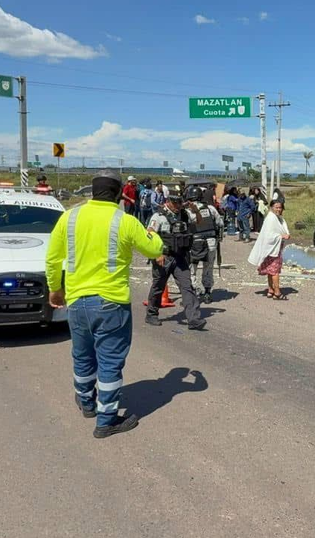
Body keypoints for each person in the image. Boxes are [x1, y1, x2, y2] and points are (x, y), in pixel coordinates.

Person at [46, 169, 164, 439]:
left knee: (82, 354)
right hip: (111, 303)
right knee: (110, 361)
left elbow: (53, 258)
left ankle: (86, 402)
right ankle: (106, 419)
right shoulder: (124, 221)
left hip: (76, 301)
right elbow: (155, 249)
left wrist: (55, 290)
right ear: (119, 193)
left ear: (92, 190)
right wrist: (152, 232)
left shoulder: (70, 217)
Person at [145, 193, 207, 330]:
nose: (178, 206)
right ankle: (151, 314)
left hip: (180, 257)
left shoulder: (183, 214)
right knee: (158, 286)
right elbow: (149, 234)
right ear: (168, 202)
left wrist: (195, 210)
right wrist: (157, 253)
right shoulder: (159, 216)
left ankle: (193, 319)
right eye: (176, 203)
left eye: (180, 203)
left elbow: (199, 222)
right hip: (164, 257)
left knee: (187, 286)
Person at [184, 184, 221, 304]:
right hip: (211, 242)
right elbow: (220, 224)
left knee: (192, 268)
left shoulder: (187, 211)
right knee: (208, 267)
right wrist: (218, 239)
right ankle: (207, 292)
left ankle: (194, 291)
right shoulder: (211, 208)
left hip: (195, 242)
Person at [249, 200, 290, 300]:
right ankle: (277, 292)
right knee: (275, 271)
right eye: (276, 207)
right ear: (271, 207)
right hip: (272, 249)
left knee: (270, 271)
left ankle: (270, 290)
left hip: (271, 248)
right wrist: (282, 236)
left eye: (280, 207)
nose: (278, 209)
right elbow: (269, 236)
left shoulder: (275, 218)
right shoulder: (271, 218)